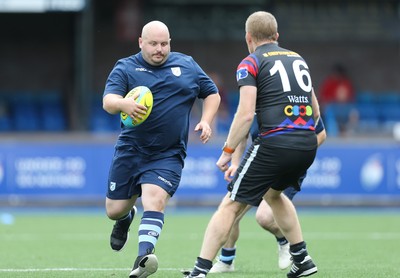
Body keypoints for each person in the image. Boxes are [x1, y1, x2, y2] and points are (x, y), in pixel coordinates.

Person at [184, 11, 319, 278]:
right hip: (307, 143)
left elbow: (245, 114)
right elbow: (315, 111)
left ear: (248, 38)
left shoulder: (250, 62)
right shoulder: (298, 59)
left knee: (231, 205)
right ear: (277, 37)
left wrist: (227, 151)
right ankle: (302, 259)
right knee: (274, 195)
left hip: (275, 143)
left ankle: (200, 270)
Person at [102, 20, 220, 278]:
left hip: (168, 153)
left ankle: (143, 258)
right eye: (153, 44)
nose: (159, 49)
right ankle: (126, 218)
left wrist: (205, 120)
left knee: (154, 199)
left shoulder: (186, 65)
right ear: (141, 43)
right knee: (114, 210)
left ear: (170, 43)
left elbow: (212, 93)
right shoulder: (125, 67)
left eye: (164, 44)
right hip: (130, 149)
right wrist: (124, 104)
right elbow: (108, 101)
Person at [210, 116, 326, 273]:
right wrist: (236, 163)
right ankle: (226, 261)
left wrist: (296, 152)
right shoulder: (251, 102)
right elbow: (241, 132)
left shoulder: (293, 100)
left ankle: (286, 241)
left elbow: (321, 134)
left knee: (264, 217)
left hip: (287, 167)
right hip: (261, 165)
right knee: (231, 209)